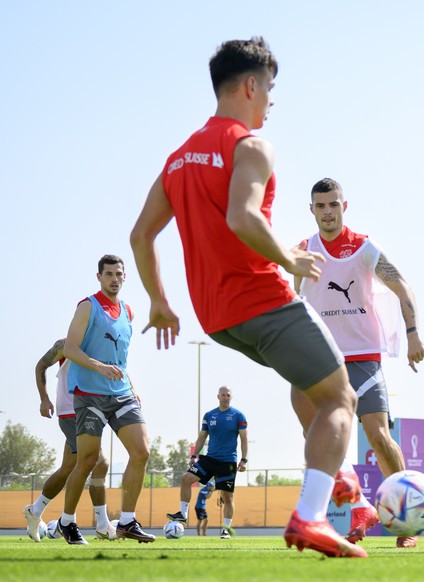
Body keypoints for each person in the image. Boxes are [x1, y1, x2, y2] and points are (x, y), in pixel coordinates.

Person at [130, 37, 365, 558]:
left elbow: (140, 236)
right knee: (341, 398)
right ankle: (311, 517)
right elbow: (243, 217)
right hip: (264, 300)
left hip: (217, 319)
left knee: (311, 383)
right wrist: (290, 257)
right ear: (251, 85)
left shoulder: (176, 160)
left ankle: (342, 473)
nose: (272, 102)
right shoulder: (250, 146)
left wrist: (159, 302)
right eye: (271, 89)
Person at [292, 178, 424, 549]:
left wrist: (413, 332)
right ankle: (360, 506)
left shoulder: (364, 247)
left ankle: (406, 523)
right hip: (320, 359)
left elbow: (402, 285)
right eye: (320, 206)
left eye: (333, 204)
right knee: (316, 438)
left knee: (380, 438)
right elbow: (291, 300)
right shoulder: (304, 252)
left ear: (344, 206)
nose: (328, 212)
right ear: (312, 210)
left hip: (363, 357)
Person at [59, 255, 155, 544]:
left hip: (121, 393)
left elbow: (120, 358)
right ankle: (67, 522)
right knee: (87, 461)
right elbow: (70, 348)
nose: (114, 278)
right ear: (99, 277)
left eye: (119, 274)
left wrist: (132, 384)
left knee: (142, 452)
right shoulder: (88, 306)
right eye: (109, 274)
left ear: (125, 278)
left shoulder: (129, 312)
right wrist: (99, 367)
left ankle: (126, 521)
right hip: (90, 395)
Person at [24, 338, 115, 542]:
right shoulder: (66, 345)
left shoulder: (103, 344)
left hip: (91, 410)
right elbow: (41, 365)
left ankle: (35, 510)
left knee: (68, 468)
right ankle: (98, 524)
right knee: (100, 463)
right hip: (70, 412)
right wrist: (44, 399)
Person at [167, 386, 248, 540]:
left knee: (228, 497)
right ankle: (183, 514)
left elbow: (244, 439)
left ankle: (226, 529)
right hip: (209, 459)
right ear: (218, 396)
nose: (225, 397)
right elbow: (202, 437)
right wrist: (194, 455)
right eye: (223, 395)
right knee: (186, 478)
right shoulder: (209, 415)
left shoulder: (239, 416)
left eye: (228, 395)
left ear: (231, 397)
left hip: (228, 462)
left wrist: (244, 460)